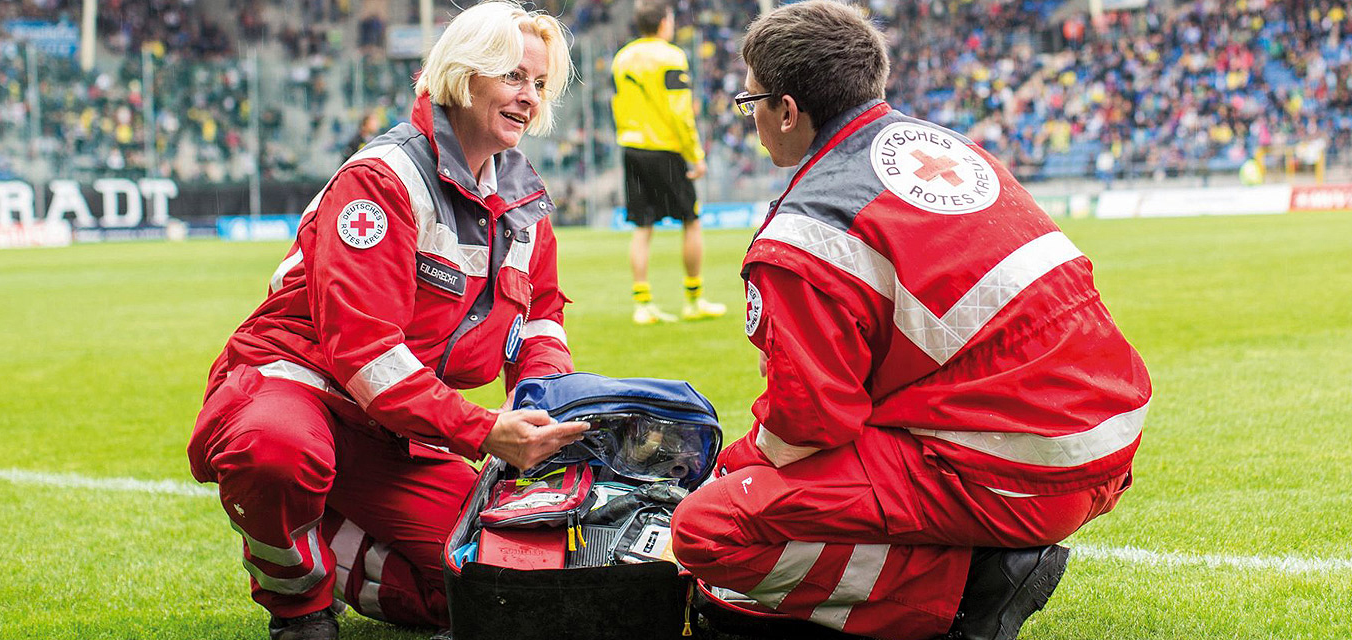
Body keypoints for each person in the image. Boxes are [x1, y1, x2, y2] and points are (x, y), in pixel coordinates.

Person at [670, 3, 1151, 640]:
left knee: (710, 526)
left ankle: (964, 596)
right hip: (1106, 441)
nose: (751, 118)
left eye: (751, 100)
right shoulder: (945, 145)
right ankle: (972, 557)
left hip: (1016, 468)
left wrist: (736, 465)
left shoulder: (808, 229)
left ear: (787, 109)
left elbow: (808, 427)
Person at [185, 4, 588, 639]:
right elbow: (364, 353)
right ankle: (300, 606)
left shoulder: (524, 203)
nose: (529, 98)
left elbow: (540, 318)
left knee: (492, 582)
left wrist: (548, 403)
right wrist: (482, 430)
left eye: (539, 84)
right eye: (513, 76)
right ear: (464, 74)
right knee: (277, 454)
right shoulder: (383, 179)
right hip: (299, 388)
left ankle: (317, 527)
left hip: (396, 423)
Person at [612, 0, 725, 325]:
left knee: (642, 226)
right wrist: (695, 156)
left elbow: (617, 104)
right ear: (664, 22)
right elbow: (680, 113)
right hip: (665, 148)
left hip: (632, 147)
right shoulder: (671, 56)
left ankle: (642, 303)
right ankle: (694, 298)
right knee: (691, 220)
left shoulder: (623, 58)